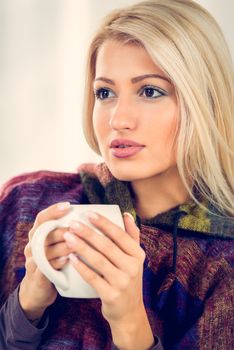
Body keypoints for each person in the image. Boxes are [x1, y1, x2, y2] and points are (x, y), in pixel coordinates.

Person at [0, 0, 233, 349]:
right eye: (105, 92)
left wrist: (129, 322)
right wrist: (28, 303)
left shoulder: (223, 265)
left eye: (150, 91)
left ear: (206, 102)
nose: (117, 119)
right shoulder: (25, 202)